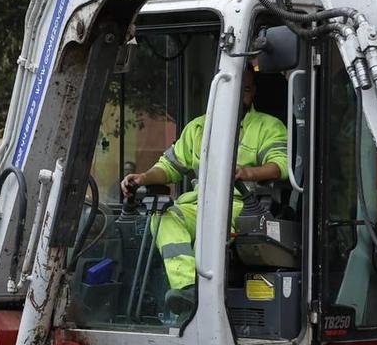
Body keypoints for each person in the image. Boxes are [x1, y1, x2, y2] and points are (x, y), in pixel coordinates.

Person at [120, 64, 288, 319]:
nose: (240, 96)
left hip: (244, 206)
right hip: (199, 204)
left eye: (246, 90)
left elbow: (280, 166)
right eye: (234, 89)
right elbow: (169, 166)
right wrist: (143, 177)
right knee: (164, 214)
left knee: (210, 221)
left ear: (253, 93)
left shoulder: (267, 126)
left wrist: (246, 172)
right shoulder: (198, 128)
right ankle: (187, 288)